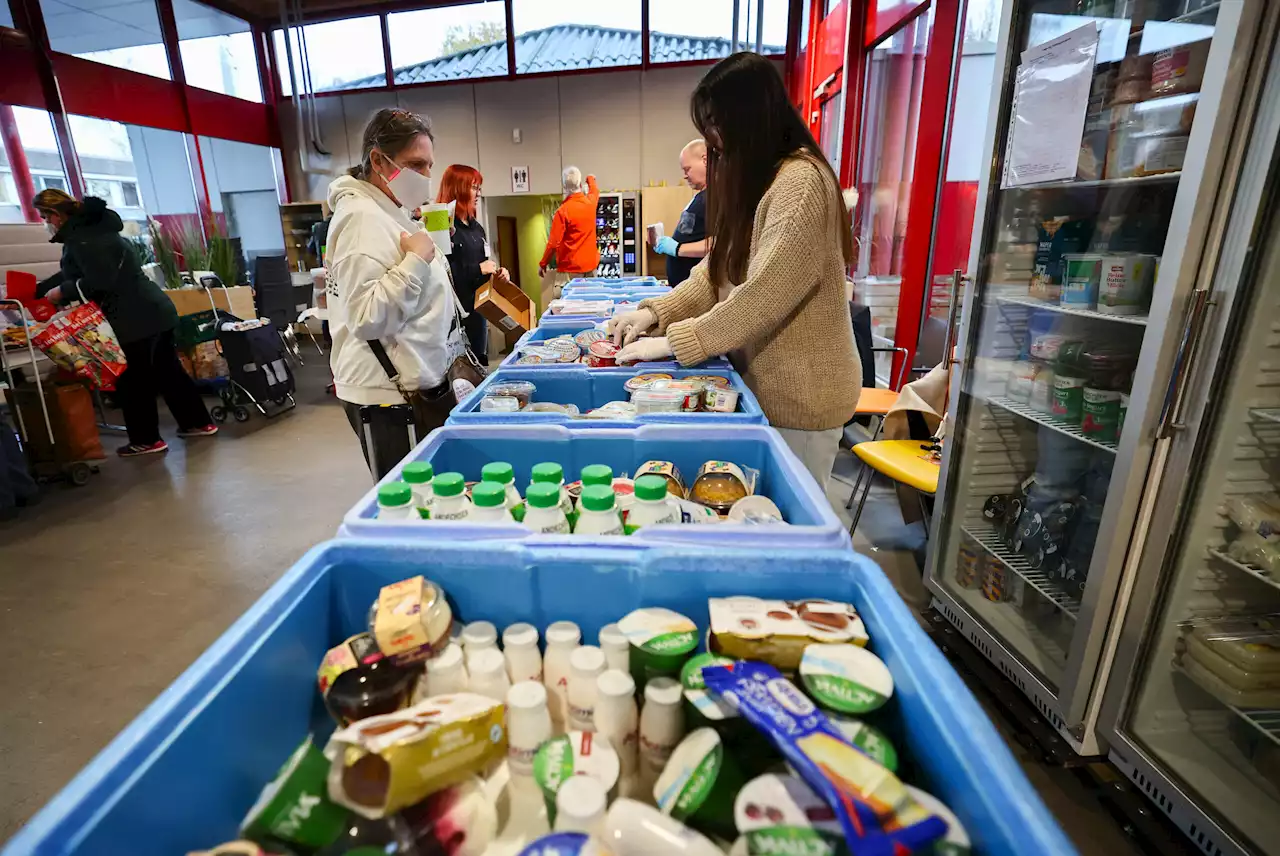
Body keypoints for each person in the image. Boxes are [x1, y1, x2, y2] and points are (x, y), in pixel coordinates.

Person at [609, 52, 861, 488]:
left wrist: (674, 341)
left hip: (801, 397)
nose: (715, 142)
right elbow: (714, 273)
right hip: (764, 388)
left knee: (782, 525)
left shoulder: (800, 183)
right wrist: (654, 313)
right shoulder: (762, 179)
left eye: (717, 127)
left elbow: (765, 295)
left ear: (750, 120)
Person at [327, 108, 462, 478]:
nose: (426, 177)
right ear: (378, 160)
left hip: (413, 386)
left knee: (434, 495)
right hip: (389, 397)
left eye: (429, 165)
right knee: (412, 499)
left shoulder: (389, 211)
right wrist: (417, 261)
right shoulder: (360, 219)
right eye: (416, 164)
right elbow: (365, 316)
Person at [33, 189, 216, 457]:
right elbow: (77, 271)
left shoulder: (83, 239)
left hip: (133, 316)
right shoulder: (95, 229)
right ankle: (198, 422)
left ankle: (146, 439)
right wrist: (41, 289)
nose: (44, 222)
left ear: (56, 215)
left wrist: (62, 292)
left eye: (44, 216)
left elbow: (100, 280)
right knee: (168, 372)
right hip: (154, 308)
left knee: (133, 380)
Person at [436, 164, 509, 365]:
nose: (478, 194)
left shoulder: (476, 227)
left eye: (479, 188)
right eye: (474, 188)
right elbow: (440, 274)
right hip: (454, 318)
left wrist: (497, 273)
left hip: (478, 311)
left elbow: (482, 263)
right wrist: (478, 269)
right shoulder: (441, 225)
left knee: (478, 365)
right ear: (457, 188)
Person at [650, 139, 711, 286]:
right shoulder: (700, 196)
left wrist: (677, 248)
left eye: (687, 169)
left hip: (697, 289)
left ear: (705, 160)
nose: (684, 175)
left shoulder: (717, 196)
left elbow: (720, 245)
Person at [538, 166, 599, 301]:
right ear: (580, 185)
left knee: (565, 308)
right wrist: (590, 178)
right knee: (592, 305)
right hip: (590, 269)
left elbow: (553, 243)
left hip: (569, 272)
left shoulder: (563, 211)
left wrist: (543, 264)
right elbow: (594, 190)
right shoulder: (590, 203)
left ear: (564, 187)